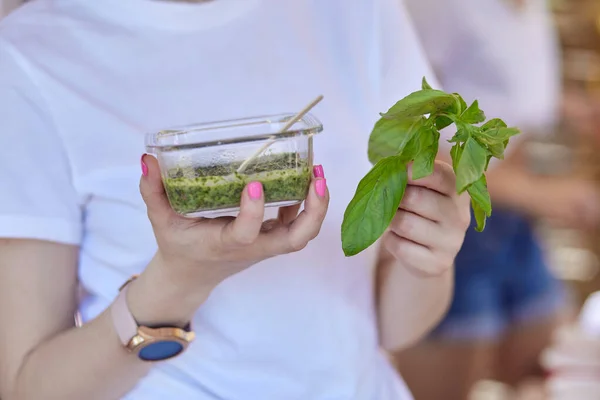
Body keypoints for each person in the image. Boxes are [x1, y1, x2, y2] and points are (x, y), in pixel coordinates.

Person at [0, 1, 470, 399]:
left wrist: (427, 251)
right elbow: (28, 386)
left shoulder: (358, 12)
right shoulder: (30, 54)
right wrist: (180, 281)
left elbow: (391, 328)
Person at [396, 0, 600, 398]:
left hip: (515, 224)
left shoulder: (532, 7)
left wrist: (574, 109)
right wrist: (540, 193)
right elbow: (408, 138)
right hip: (454, 228)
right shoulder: (438, 8)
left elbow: (498, 90)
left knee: (546, 377)